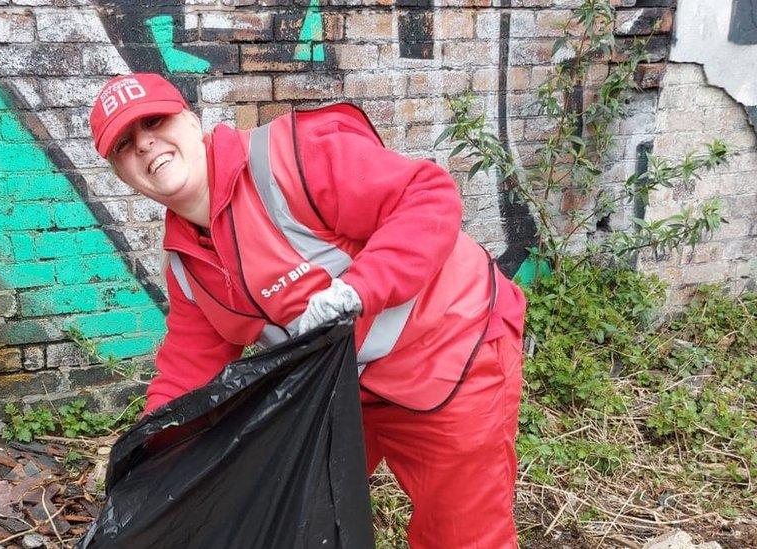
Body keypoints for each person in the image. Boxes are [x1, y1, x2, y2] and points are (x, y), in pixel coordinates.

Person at [89, 72, 527, 548]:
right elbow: (187, 369)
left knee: (462, 536)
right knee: (294, 518)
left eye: (155, 120)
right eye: (124, 145)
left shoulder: (290, 159)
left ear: (192, 120)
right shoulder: (187, 260)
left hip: (451, 349)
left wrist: (361, 289)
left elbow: (428, 196)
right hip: (341, 390)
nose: (146, 144)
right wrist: (150, 455)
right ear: (121, 174)